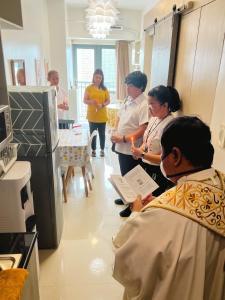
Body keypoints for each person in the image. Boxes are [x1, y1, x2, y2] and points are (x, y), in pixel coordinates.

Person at [113, 116, 225, 300]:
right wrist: (161, 202)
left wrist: (137, 213)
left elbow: (128, 265)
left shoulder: (158, 215)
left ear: (175, 155)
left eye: (162, 153)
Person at [131, 85, 182, 197]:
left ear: (165, 105)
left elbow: (164, 158)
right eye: (148, 104)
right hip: (146, 165)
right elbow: (147, 140)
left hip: (157, 171)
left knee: (150, 200)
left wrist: (142, 155)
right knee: (140, 193)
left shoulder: (170, 125)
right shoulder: (154, 118)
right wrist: (139, 151)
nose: (149, 108)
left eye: (152, 104)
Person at [111, 71, 149, 217]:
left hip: (131, 148)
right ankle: (126, 198)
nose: (127, 88)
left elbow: (143, 128)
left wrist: (124, 138)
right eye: (127, 85)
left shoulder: (143, 104)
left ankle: (132, 205)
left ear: (139, 88)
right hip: (121, 145)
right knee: (124, 174)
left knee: (132, 177)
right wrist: (115, 131)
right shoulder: (128, 99)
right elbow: (120, 117)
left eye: (130, 86)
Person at [83, 69, 110, 157]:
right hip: (92, 116)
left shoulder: (105, 89)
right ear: (93, 77)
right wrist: (92, 101)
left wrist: (102, 105)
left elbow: (108, 101)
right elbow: (84, 100)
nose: (98, 79)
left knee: (102, 134)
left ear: (102, 79)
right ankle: (94, 150)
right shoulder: (89, 88)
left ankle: (102, 150)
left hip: (102, 116)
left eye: (100, 77)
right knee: (93, 134)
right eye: (96, 77)